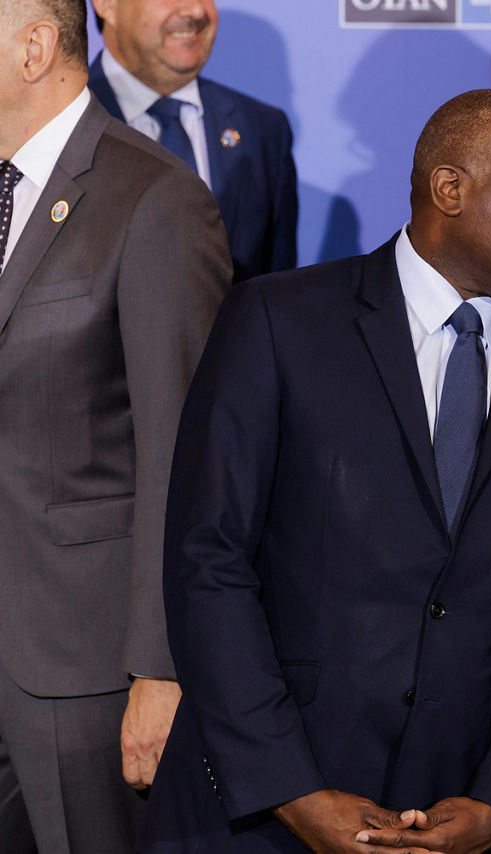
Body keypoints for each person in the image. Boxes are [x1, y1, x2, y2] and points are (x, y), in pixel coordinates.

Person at [137, 89, 491, 854]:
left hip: (454, 818)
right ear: (450, 189)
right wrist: (292, 790)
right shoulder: (275, 322)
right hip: (253, 811)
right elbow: (208, 563)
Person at [0, 1, 232, 851]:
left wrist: (163, 667)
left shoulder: (156, 200)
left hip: (83, 666)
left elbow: (187, 456)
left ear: (34, 48)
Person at [89, 0, 298, 281]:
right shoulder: (53, 122)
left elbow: (277, 295)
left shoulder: (263, 129)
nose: (196, 11)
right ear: (107, 5)